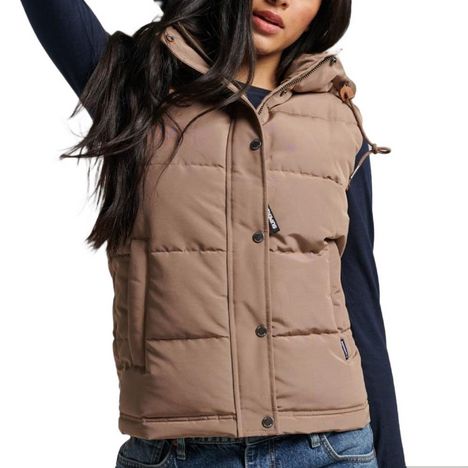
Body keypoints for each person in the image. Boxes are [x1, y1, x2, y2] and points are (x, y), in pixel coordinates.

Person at [19, 0, 406, 466]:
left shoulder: (338, 123)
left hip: (330, 449)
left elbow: (360, 302)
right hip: (178, 452)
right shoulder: (135, 87)